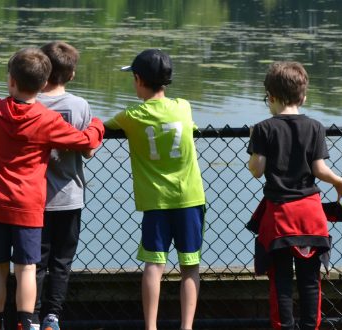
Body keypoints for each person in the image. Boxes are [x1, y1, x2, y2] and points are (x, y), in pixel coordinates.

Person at [0, 47, 105, 330]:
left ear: (11, 81)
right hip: (29, 207)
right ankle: (24, 322)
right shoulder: (46, 120)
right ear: (43, 84)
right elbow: (84, 141)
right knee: (27, 268)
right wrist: (97, 127)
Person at [246, 61, 342, 330]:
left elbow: (257, 171)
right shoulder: (315, 127)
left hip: (280, 217)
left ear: (270, 97)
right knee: (310, 280)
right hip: (310, 215)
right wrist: (339, 181)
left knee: (280, 280)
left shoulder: (263, 128)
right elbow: (319, 169)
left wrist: (254, 146)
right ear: (303, 96)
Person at [104, 49, 206, 330]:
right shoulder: (183, 106)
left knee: (153, 264)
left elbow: (102, 128)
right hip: (190, 198)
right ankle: (187, 327)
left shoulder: (131, 116)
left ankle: (151, 326)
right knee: (190, 267)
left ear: (138, 79)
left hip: (156, 202)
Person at [33, 41, 93, 330]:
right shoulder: (79, 106)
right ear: (71, 75)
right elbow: (88, 150)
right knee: (62, 260)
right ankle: (52, 317)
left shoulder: (30, 103)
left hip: (34, 198)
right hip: (69, 195)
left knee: (35, 261)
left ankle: (29, 315)